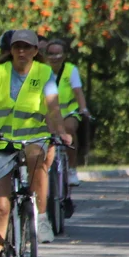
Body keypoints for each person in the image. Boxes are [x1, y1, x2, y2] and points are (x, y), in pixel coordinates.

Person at [0, 30, 73, 257]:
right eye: (17, 47)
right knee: (2, 206)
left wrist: (60, 131)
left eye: (27, 47)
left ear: (34, 51)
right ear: (11, 49)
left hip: (31, 138)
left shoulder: (43, 73)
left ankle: (40, 217)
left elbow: (52, 107)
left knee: (38, 159)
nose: (22, 52)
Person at [45, 39, 89, 186]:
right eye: (51, 54)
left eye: (58, 54)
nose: (54, 57)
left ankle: (71, 168)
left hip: (69, 112)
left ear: (64, 55)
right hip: (48, 114)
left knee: (69, 129)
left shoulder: (71, 70)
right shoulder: (41, 70)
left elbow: (78, 92)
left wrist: (83, 108)